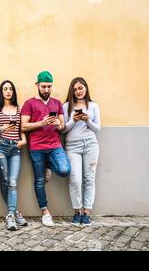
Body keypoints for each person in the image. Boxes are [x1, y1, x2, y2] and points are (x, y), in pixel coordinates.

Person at [20, 70, 71, 227]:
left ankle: (49, 165)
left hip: (55, 145)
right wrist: (41, 123)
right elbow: (24, 126)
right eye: (43, 87)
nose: (47, 90)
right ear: (37, 85)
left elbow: (62, 127)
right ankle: (45, 212)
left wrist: (58, 125)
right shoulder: (29, 103)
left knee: (65, 170)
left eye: (49, 86)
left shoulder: (56, 103)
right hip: (36, 148)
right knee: (39, 180)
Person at [62, 77, 100, 226]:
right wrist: (74, 120)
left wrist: (87, 120)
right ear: (72, 91)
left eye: (81, 88)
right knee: (75, 179)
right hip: (72, 146)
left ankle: (86, 213)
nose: (78, 91)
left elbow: (97, 128)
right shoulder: (66, 106)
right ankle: (77, 211)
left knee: (89, 179)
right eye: (75, 89)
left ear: (86, 88)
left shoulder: (94, 105)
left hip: (91, 144)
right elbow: (63, 129)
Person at [0, 80, 28, 230]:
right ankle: (14, 215)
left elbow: (21, 130)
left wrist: (24, 140)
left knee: (12, 182)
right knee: (5, 180)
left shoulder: (19, 109)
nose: (8, 91)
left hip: (15, 148)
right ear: (1, 91)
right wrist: (3, 128)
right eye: (5, 89)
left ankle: (11, 215)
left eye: (11, 89)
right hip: (0, 146)